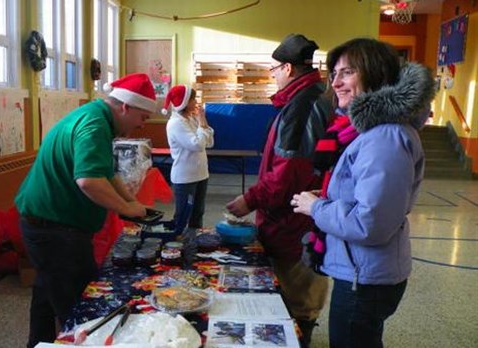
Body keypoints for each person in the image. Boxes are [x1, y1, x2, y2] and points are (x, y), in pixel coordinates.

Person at [291, 38, 435, 348]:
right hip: (363, 272)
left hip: (365, 278)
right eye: (335, 73)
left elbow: (370, 223)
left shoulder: (385, 136)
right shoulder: (372, 131)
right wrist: (329, 199)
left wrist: (317, 208)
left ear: (375, 74)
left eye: (348, 72)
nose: (336, 82)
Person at [15, 73, 157, 348]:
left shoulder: (95, 117)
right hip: (55, 230)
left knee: (46, 295)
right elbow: (89, 181)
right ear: (125, 107)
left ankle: (38, 343)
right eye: (142, 117)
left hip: (47, 224)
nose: (143, 125)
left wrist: (131, 203)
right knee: (80, 308)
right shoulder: (94, 126)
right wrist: (126, 207)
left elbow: (106, 173)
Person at [225, 33, 331, 346]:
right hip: (300, 220)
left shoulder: (303, 106)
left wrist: (251, 198)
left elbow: (289, 173)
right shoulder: (311, 97)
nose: (272, 76)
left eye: (273, 70)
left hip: (296, 222)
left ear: (287, 68)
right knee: (298, 294)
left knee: (299, 299)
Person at [162, 85, 214, 231]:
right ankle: (177, 247)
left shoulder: (191, 119)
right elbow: (197, 144)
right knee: (183, 216)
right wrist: (202, 123)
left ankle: (195, 244)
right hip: (185, 177)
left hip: (201, 174)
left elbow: (209, 142)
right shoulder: (175, 123)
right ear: (184, 103)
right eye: (193, 99)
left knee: (197, 214)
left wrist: (202, 122)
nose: (196, 102)